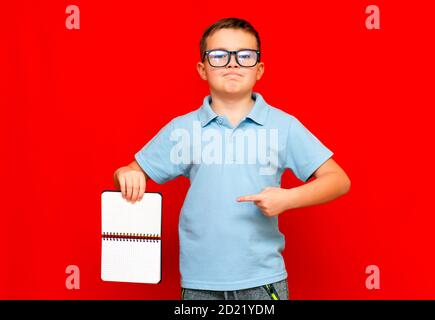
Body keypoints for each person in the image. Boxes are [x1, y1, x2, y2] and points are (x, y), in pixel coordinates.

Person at [113, 17, 351, 300]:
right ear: (203, 69)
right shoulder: (182, 129)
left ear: (259, 69)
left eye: (245, 56)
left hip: (263, 280)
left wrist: (288, 199)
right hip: (200, 282)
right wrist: (125, 174)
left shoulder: (282, 126)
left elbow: (339, 180)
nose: (232, 63)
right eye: (219, 56)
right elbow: (128, 172)